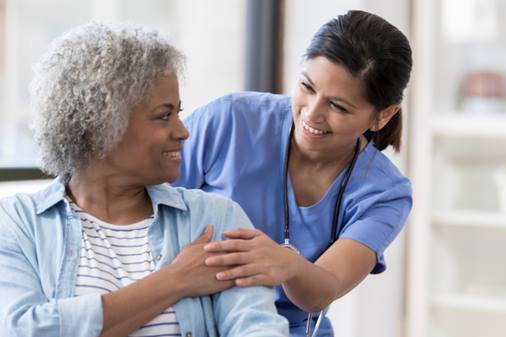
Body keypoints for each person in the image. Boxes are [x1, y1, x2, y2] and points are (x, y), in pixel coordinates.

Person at [0, 22, 288, 337]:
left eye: (179, 112)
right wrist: (175, 280)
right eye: (164, 115)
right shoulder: (18, 224)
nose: (183, 131)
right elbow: (24, 329)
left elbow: (259, 329)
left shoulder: (216, 219)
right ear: (100, 130)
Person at [174, 10, 413, 337]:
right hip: (189, 318)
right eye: (306, 87)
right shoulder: (230, 120)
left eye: (338, 106)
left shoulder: (386, 193)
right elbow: (141, 206)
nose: (312, 113)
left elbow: (321, 291)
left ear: (382, 116)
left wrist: (287, 264)